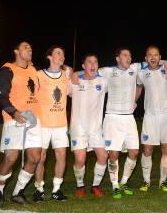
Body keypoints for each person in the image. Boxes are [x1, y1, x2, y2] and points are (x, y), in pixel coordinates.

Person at [0, 41, 43, 207]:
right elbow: (0, 96)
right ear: (16, 51)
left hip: (34, 120)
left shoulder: (33, 69)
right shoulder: (7, 70)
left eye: (31, 47)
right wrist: (14, 112)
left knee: (35, 158)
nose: (30, 49)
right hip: (14, 119)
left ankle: (17, 192)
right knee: (11, 158)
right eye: (25, 47)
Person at [98, 48, 142, 199]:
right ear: (117, 58)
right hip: (112, 118)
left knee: (134, 152)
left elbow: (154, 63)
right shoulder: (107, 71)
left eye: (130, 55)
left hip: (129, 117)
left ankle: (124, 181)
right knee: (114, 154)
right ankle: (115, 184)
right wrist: (76, 74)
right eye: (125, 55)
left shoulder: (135, 68)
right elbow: (89, 71)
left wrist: (166, 64)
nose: (128, 58)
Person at [33, 46, 71, 202]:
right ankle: (39, 189)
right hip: (42, 124)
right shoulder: (38, 75)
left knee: (61, 156)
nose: (62, 56)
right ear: (49, 57)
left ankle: (56, 189)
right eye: (58, 53)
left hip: (61, 124)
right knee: (40, 157)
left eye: (63, 53)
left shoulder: (66, 75)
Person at [69, 54, 109, 197]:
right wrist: (74, 73)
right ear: (83, 66)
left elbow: (117, 71)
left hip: (96, 129)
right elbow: (64, 71)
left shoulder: (103, 81)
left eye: (95, 62)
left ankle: (95, 185)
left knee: (103, 156)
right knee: (80, 159)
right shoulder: (74, 82)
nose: (93, 64)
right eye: (89, 62)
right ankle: (80, 186)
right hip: (78, 127)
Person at [136, 46, 167, 192]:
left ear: (160, 57)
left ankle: (163, 181)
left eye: (156, 55)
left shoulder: (166, 69)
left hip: (166, 115)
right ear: (145, 58)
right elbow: (139, 88)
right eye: (150, 55)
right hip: (150, 116)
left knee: (166, 148)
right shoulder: (141, 73)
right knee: (147, 149)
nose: (153, 57)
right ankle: (146, 181)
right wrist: (133, 102)